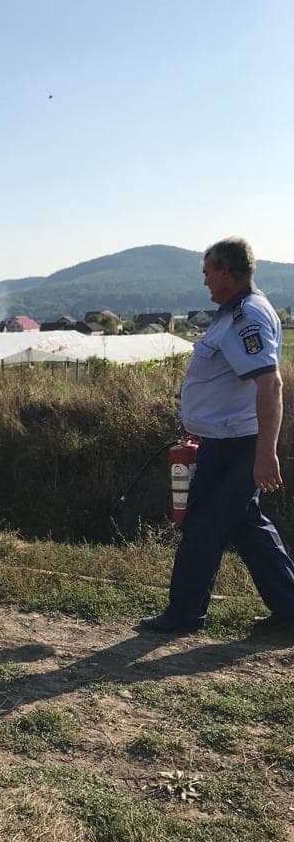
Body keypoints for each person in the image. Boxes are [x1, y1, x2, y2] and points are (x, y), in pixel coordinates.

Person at [139, 237, 294, 633]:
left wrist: (265, 453)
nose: (205, 280)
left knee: (203, 526)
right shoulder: (233, 314)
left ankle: (184, 614)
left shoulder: (247, 316)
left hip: (237, 445)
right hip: (226, 441)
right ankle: (290, 610)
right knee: (247, 526)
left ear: (226, 271)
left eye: (208, 272)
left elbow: (270, 385)